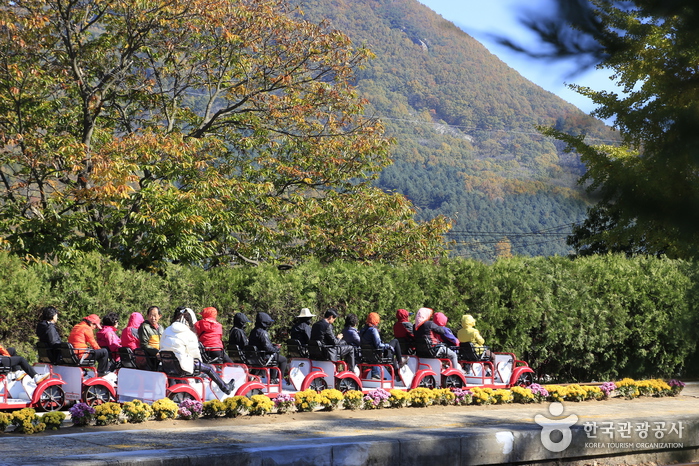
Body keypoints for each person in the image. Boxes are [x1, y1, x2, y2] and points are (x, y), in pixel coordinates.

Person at [160, 307, 235, 395]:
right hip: (182, 367)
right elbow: (195, 354)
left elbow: (161, 345)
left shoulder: (167, 330)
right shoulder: (188, 333)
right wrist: (200, 363)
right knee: (209, 368)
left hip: (167, 365)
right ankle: (225, 388)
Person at [414, 307, 461, 371]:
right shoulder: (429, 324)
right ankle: (456, 372)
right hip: (433, 348)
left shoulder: (415, 326)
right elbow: (441, 331)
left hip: (421, 351)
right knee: (453, 355)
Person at [359, 312, 403, 380]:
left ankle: (377, 374)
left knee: (389, 352)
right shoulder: (373, 330)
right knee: (395, 341)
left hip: (366, 355)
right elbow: (379, 345)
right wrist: (388, 346)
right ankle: (400, 361)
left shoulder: (363, 330)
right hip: (376, 354)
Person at [248, 312, 288, 380]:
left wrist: (273, 346)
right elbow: (268, 348)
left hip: (255, 356)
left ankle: (273, 379)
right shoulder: (263, 332)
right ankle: (279, 379)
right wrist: (276, 348)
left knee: (274, 359)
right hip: (263, 357)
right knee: (283, 360)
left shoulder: (253, 331)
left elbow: (261, 344)